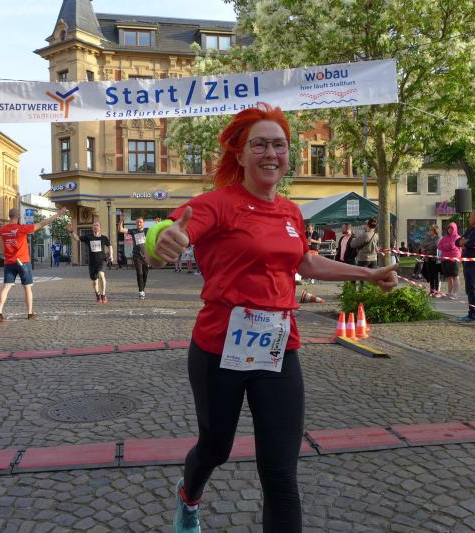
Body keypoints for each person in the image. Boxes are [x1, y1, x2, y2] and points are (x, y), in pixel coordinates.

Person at [144, 104, 398, 533]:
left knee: (280, 471)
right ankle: (189, 498)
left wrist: (367, 274)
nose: (271, 154)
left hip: (278, 351)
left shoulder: (290, 212)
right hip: (218, 350)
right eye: (259, 144)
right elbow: (170, 233)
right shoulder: (217, 204)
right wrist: (160, 240)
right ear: (240, 154)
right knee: (216, 448)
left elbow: (305, 262)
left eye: (279, 145)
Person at [0, 206, 68, 322]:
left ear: (9, 217)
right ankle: (30, 314)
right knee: (27, 288)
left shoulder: (2, 230)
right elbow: (42, 223)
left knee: (6, 287)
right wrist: (58, 214)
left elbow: (3, 236)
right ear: (18, 217)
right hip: (23, 262)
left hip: (9, 262)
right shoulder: (22, 229)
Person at [70, 221, 112, 303]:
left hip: (102, 260)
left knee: (101, 275)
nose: (95, 226)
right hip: (92, 263)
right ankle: (98, 295)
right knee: (95, 281)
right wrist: (72, 232)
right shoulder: (88, 237)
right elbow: (77, 238)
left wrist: (111, 255)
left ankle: (103, 295)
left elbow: (110, 246)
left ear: (100, 228)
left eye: (97, 225)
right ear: (92, 228)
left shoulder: (104, 238)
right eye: (94, 225)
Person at [120, 215, 150, 299]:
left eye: (140, 222)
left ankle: (142, 288)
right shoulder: (133, 231)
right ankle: (141, 291)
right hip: (137, 256)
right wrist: (121, 221)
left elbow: (158, 232)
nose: (139, 223)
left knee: (145, 274)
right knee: (139, 273)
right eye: (137, 222)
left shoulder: (148, 230)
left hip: (146, 256)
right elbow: (121, 229)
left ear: (144, 223)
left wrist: (158, 224)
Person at [437, 223, 461, 298]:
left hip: (454, 259)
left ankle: (455, 293)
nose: (449, 229)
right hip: (444, 259)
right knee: (448, 277)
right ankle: (449, 292)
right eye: (448, 228)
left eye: (451, 228)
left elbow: (453, 246)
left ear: (455, 229)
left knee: (455, 276)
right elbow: (439, 246)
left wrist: (445, 246)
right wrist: (447, 246)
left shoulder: (457, 237)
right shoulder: (444, 237)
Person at [419, 225, 441, 296]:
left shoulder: (439, 238)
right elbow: (422, 245)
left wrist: (427, 248)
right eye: (429, 230)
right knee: (430, 275)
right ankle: (432, 290)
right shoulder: (427, 237)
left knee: (436, 275)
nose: (429, 231)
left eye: (431, 230)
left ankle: (437, 291)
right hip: (427, 258)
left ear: (435, 231)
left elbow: (436, 246)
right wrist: (425, 248)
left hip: (435, 259)